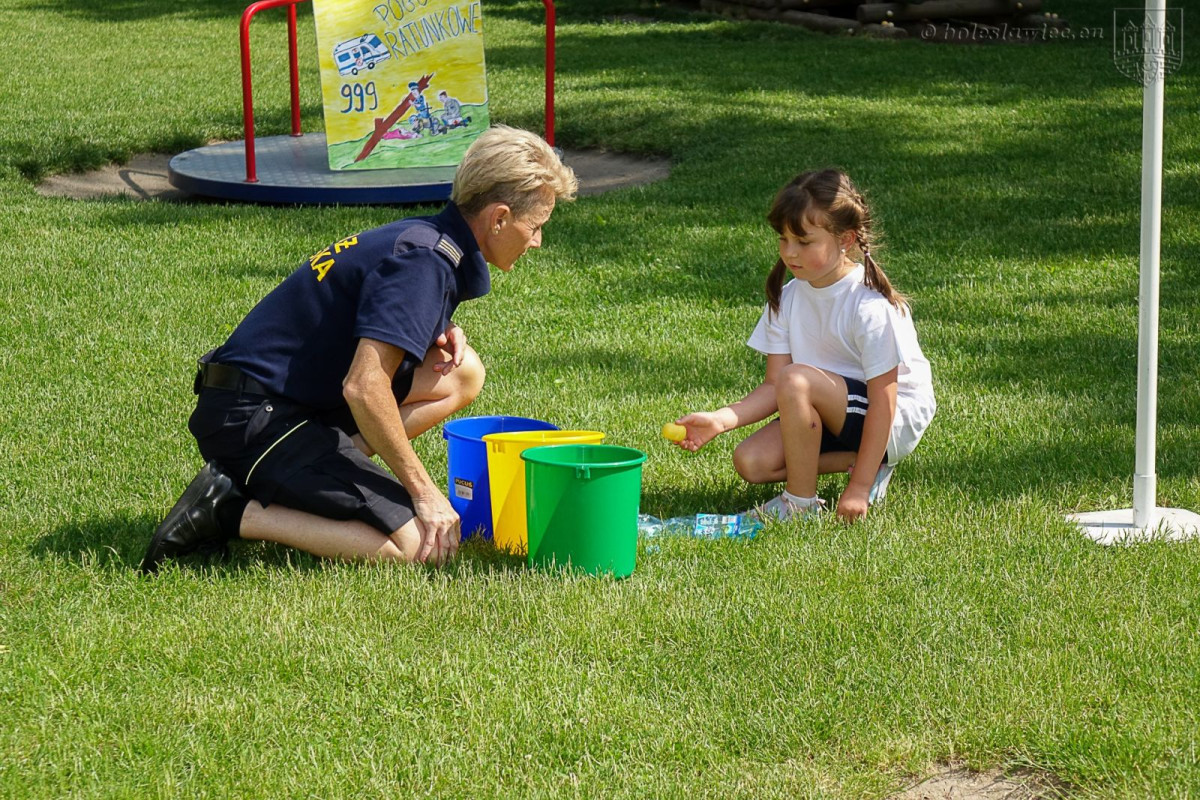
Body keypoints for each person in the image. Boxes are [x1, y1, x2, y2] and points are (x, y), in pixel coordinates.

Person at [142, 125, 577, 573]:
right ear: (499, 218)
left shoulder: (423, 240)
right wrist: (425, 493)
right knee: (413, 546)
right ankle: (229, 509)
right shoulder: (424, 264)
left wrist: (437, 326)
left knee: (462, 371)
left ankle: (319, 473)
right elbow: (364, 388)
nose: (537, 241)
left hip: (270, 404)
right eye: (536, 226)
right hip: (254, 421)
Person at [670, 170, 935, 522]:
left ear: (846, 239)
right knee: (751, 462)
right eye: (783, 239)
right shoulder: (789, 296)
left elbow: (884, 403)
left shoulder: (869, 306)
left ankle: (800, 503)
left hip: (892, 420)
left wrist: (857, 488)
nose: (789, 253)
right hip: (831, 408)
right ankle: (860, 464)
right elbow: (772, 385)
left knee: (796, 380)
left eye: (804, 242)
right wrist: (720, 420)